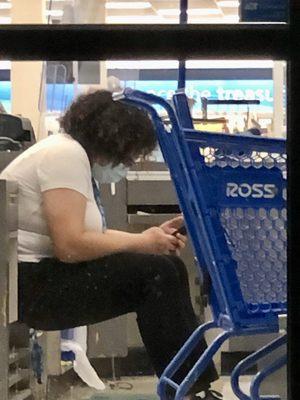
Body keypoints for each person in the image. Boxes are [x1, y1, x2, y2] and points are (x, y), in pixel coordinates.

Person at [0, 90, 221, 400]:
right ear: (113, 140)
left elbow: (85, 240)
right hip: (32, 288)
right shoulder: (64, 155)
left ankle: (190, 387)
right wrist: (143, 242)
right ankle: (188, 390)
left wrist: (149, 239)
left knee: (166, 266)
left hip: (39, 278)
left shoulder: (70, 155)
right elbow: (71, 244)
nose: (128, 163)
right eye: (129, 155)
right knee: (157, 273)